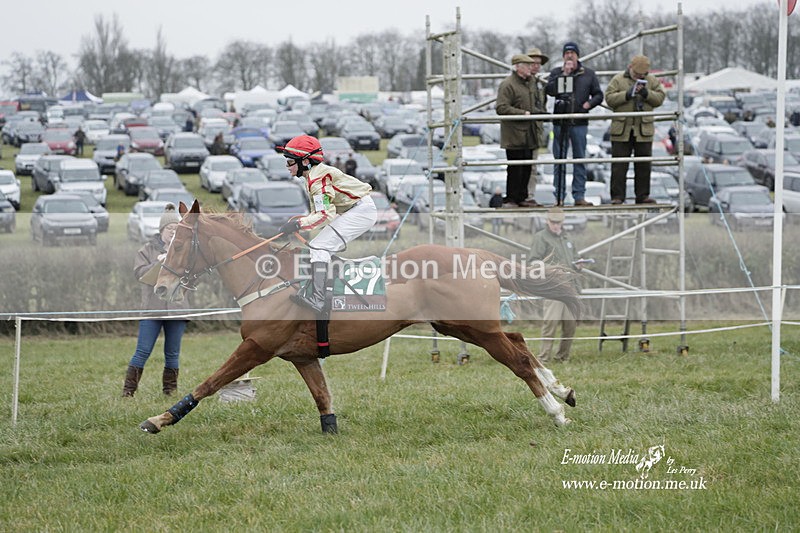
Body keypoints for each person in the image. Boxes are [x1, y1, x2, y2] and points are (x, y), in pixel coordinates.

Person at [277, 135, 377, 314]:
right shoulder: (313, 176)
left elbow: (324, 215)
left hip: (362, 212)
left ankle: (318, 299)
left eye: (290, 162)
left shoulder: (317, 179)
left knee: (319, 246)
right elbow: (320, 212)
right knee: (319, 246)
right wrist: (299, 224)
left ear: (305, 161)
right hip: (354, 210)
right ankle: (325, 288)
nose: (287, 166)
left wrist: (297, 225)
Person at [122, 204, 191, 397]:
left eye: (176, 229)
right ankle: (128, 392)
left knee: (173, 354)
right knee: (142, 351)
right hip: (152, 310)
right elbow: (139, 273)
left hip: (177, 310)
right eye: (170, 228)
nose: (173, 232)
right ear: (161, 230)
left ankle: (170, 391)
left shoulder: (183, 250)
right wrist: (158, 262)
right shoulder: (147, 250)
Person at [546, 41, 604, 207]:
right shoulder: (556, 72)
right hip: (560, 122)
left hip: (579, 123)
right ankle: (559, 197)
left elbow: (598, 95)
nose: (569, 56)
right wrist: (564, 75)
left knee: (579, 160)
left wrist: (588, 105)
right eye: (567, 53)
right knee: (559, 161)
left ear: (578, 56)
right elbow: (550, 91)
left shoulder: (588, 74)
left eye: (572, 53)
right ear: (563, 56)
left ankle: (579, 196)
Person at [605, 54, 666, 204]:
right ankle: (617, 197)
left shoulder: (652, 80)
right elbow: (609, 99)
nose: (640, 76)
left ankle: (643, 196)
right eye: (637, 74)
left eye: (642, 75)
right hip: (622, 130)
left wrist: (647, 94)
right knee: (619, 166)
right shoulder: (618, 79)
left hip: (643, 130)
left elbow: (660, 98)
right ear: (630, 67)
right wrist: (626, 94)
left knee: (644, 165)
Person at [529, 207, 581, 363]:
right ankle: (543, 358)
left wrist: (578, 264)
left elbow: (575, 257)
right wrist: (551, 269)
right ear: (547, 221)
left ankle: (563, 357)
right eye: (553, 222)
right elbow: (533, 262)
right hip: (552, 287)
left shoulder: (567, 238)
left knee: (570, 325)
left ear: (563, 222)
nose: (556, 226)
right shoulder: (541, 237)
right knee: (550, 323)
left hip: (570, 287)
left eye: (558, 223)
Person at [495, 54, 542, 208]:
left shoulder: (530, 83)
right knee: (515, 168)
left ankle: (522, 197)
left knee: (527, 166)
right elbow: (501, 107)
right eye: (527, 65)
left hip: (529, 132)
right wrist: (522, 113)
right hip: (514, 134)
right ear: (518, 67)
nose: (531, 68)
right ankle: (511, 198)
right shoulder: (507, 84)